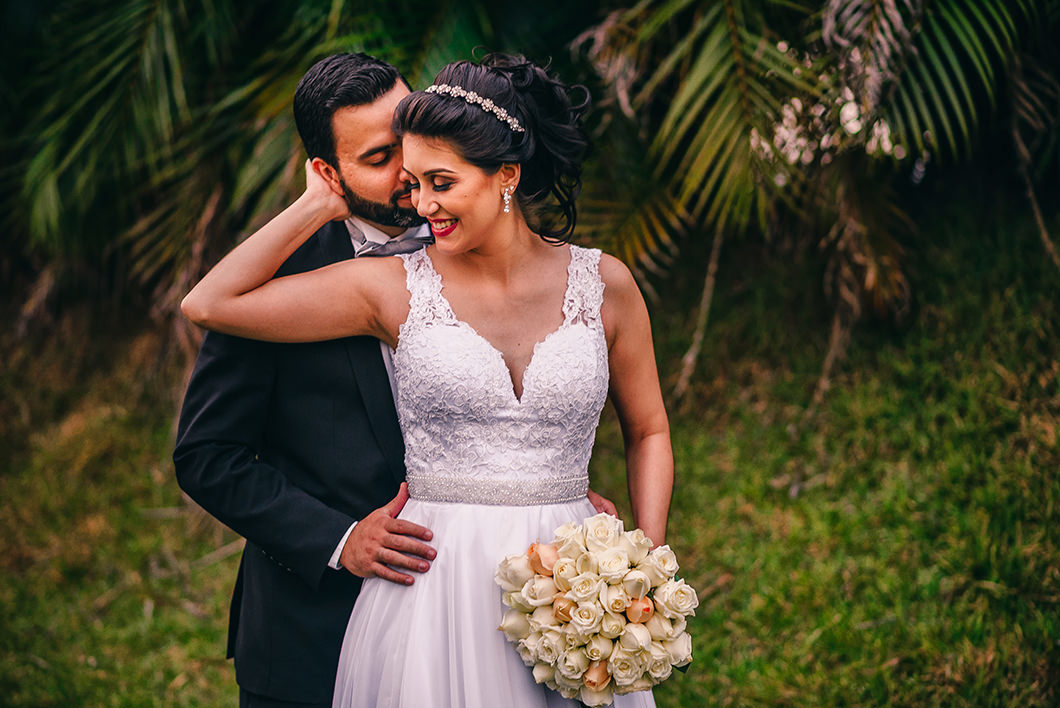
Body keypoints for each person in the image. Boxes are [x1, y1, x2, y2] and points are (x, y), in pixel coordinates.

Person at [181, 52, 672, 707]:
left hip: (549, 588)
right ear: (329, 172)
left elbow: (631, 424)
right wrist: (337, 538)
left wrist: (589, 523)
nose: (416, 195)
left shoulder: (572, 273)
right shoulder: (297, 278)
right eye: (389, 162)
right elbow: (207, 446)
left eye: (424, 160)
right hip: (340, 615)